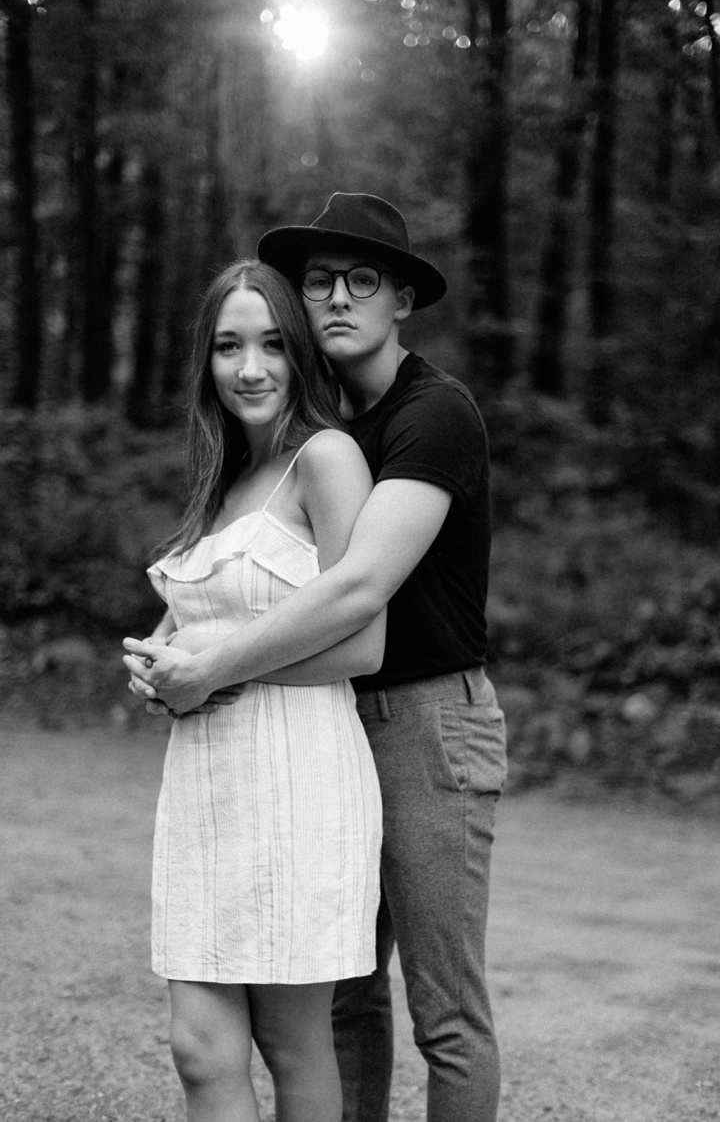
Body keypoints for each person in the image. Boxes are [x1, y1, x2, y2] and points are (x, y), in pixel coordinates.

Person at [125, 193, 506, 1122]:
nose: (337, 299)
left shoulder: (433, 415)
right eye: (320, 283)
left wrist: (209, 669)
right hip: (326, 721)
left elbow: (352, 593)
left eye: (362, 281)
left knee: (443, 1007)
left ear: (401, 300)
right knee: (341, 990)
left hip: (424, 717)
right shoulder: (319, 423)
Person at [136, 259, 385, 1122]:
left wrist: (209, 672)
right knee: (199, 1047)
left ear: (302, 355)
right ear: (205, 360)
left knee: (291, 1043)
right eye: (229, 346)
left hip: (297, 775)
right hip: (206, 783)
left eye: (274, 345)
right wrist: (160, 665)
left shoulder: (327, 458)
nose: (251, 368)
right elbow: (202, 624)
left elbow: (364, 639)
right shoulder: (220, 481)